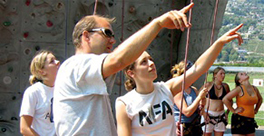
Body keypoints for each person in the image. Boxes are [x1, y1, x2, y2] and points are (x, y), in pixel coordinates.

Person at [53, 3, 195, 136]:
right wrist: (158, 23)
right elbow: (118, 60)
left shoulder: (78, 70)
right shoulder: (75, 65)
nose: (112, 40)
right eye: (106, 33)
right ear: (86, 36)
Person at [115, 23, 243, 136]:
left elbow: (198, 69)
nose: (151, 64)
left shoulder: (166, 89)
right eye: (144, 62)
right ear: (131, 73)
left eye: (151, 59)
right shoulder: (124, 104)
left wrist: (219, 43)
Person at [19, 50, 60, 136]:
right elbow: (24, 128)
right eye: (52, 61)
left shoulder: (61, 89)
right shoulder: (33, 92)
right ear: (42, 71)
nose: (58, 62)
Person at [171, 60, 208, 136]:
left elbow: (200, 106)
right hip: (183, 128)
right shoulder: (178, 91)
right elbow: (187, 112)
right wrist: (199, 97)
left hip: (194, 126)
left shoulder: (194, 89)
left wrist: (202, 104)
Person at [200, 67, 231, 136]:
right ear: (215, 75)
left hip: (220, 115)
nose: (223, 75)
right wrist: (203, 112)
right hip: (208, 115)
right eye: (221, 73)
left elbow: (230, 101)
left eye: (224, 74)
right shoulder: (208, 85)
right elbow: (199, 98)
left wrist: (227, 112)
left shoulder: (225, 86)